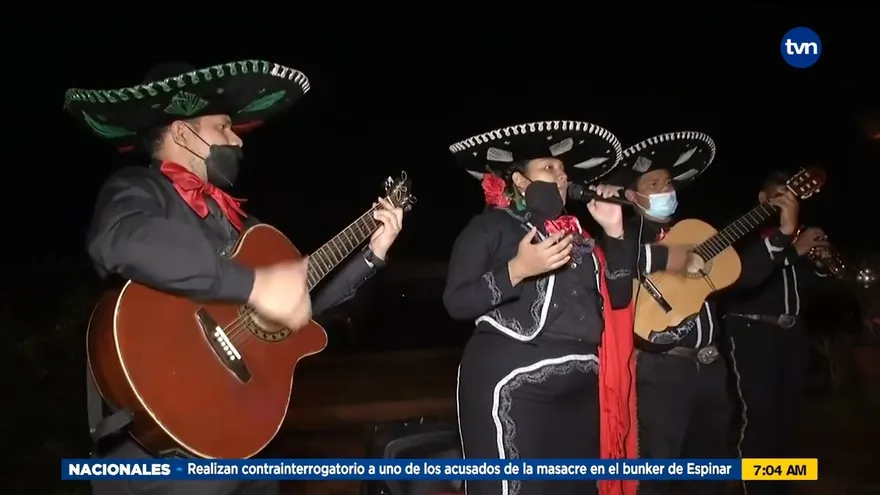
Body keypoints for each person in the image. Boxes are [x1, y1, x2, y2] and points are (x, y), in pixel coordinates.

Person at [65, 60, 404, 495]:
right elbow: (124, 242)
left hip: (242, 444)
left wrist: (372, 254)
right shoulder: (137, 190)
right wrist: (253, 285)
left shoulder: (246, 229)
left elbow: (299, 316)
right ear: (183, 133)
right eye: (223, 127)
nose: (237, 139)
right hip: (158, 457)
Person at [445, 120, 671, 495]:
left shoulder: (580, 237)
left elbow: (618, 298)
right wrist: (517, 271)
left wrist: (614, 231)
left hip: (583, 385)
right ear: (520, 180)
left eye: (563, 169)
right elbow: (456, 301)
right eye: (549, 167)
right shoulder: (490, 227)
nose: (562, 175)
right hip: (514, 384)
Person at [605, 132, 800, 495]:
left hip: (711, 368)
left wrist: (783, 233)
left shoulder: (693, 232)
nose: (665, 189)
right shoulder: (622, 235)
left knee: (710, 472)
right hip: (660, 372)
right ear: (632, 195)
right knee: (656, 472)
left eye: (668, 182)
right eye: (653, 183)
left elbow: (742, 274)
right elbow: (613, 270)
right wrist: (670, 261)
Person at [722, 171, 832, 495]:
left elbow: (807, 290)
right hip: (753, 333)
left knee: (787, 419)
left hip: (792, 337)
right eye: (780, 193)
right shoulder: (744, 234)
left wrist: (821, 265)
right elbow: (744, 279)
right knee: (759, 419)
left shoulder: (797, 236)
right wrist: (793, 250)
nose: (788, 199)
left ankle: (778, 488)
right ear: (763, 198)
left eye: (793, 195)